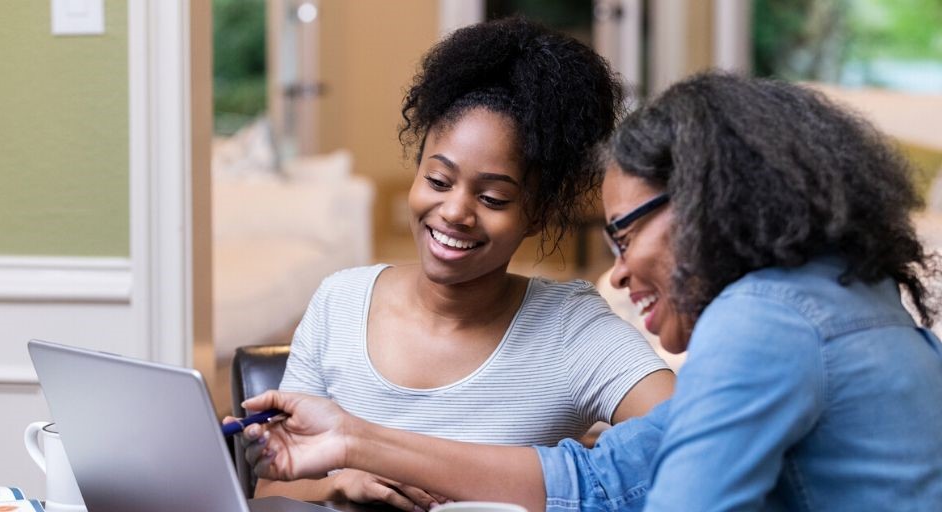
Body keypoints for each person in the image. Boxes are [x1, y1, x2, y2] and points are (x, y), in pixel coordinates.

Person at [237, 73, 942, 511]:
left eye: (625, 235)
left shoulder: (764, 321)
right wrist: (353, 441)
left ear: (703, 205)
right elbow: (599, 480)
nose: (618, 273)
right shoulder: (843, 301)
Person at [249, 17, 675, 510]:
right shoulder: (338, 303)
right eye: (437, 180)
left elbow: (689, 437)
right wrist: (337, 485)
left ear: (536, 214)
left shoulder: (570, 328)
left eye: (493, 198)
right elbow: (270, 491)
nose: (455, 212)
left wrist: (591, 464)